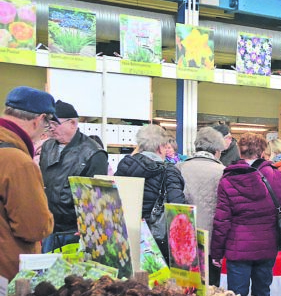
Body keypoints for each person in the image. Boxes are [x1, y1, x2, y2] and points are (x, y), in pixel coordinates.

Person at [211, 133, 281, 296]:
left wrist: (217, 253)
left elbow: (222, 220)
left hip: (238, 248)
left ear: (240, 152)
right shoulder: (276, 175)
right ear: (263, 151)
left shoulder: (228, 179)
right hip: (267, 246)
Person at [0, 86, 56, 280]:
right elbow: (33, 227)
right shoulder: (18, 163)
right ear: (39, 120)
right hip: (8, 273)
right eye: (47, 125)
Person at [39, 100, 108, 252]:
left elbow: (97, 198)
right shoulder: (47, 147)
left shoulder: (93, 153)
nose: (51, 128)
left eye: (56, 124)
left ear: (72, 123)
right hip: (48, 226)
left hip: (73, 231)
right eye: (49, 123)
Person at [114, 125, 186, 259]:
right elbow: (179, 208)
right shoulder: (169, 171)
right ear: (160, 147)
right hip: (154, 241)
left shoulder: (124, 166)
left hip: (124, 236)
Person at [178, 127, 226, 284]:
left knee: (185, 284)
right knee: (210, 283)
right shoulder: (222, 171)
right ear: (217, 150)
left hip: (183, 233)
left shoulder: (179, 168)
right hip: (211, 236)